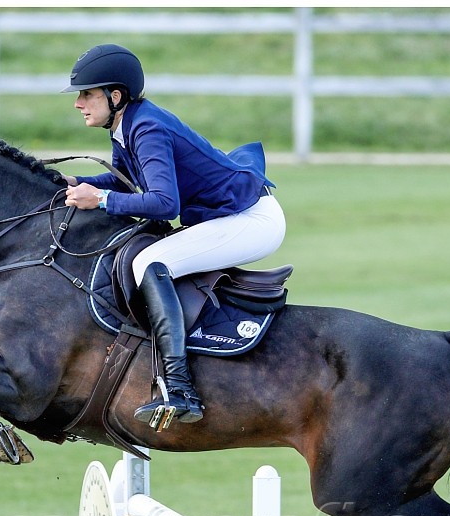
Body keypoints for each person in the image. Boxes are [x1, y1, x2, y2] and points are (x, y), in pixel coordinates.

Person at [62, 44, 286, 429]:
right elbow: (128, 184)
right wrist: (76, 182)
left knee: (149, 262)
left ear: (115, 97)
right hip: (234, 214)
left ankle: (180, 388)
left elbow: (164, 203)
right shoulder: (126, 124)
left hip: (252, 220)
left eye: (87, 94)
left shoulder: (146, 127)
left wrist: (98, 199)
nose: (79, 103)